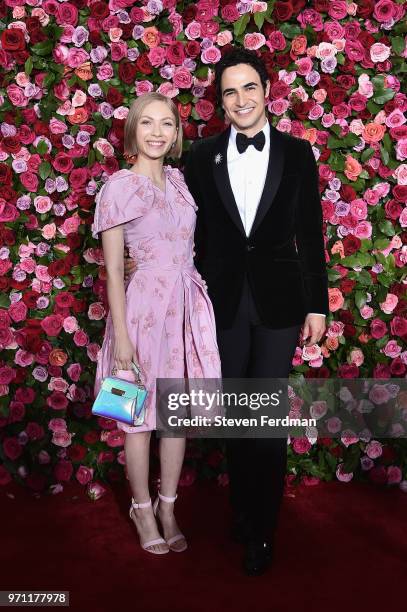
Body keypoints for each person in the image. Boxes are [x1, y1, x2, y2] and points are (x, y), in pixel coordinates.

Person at [125, 49, 329, 575]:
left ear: (267, 91)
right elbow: (173, 225)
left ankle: (263, 528)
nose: (241, 99)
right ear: (222, 102)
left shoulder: (297, 153)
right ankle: (242, 511)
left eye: (249, 88)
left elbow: (311, 233)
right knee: (237, 416)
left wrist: (317, 307)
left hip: (282, 304)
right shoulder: (200, 157)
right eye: (230, 92)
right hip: (222, 303)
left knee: (265, 418)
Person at [92, 92, 222, 556]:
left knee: (175, 415)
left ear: (176, 134)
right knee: (136, 418)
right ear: (132, 131)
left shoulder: (182, 182)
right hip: (141, 311)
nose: (156, 132)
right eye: (146, 123)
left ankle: (169, 506)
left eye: (166, 124)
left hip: (185, 307)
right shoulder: (118, 187)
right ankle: (141, 508)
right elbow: (112, 270)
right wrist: (122, 339)